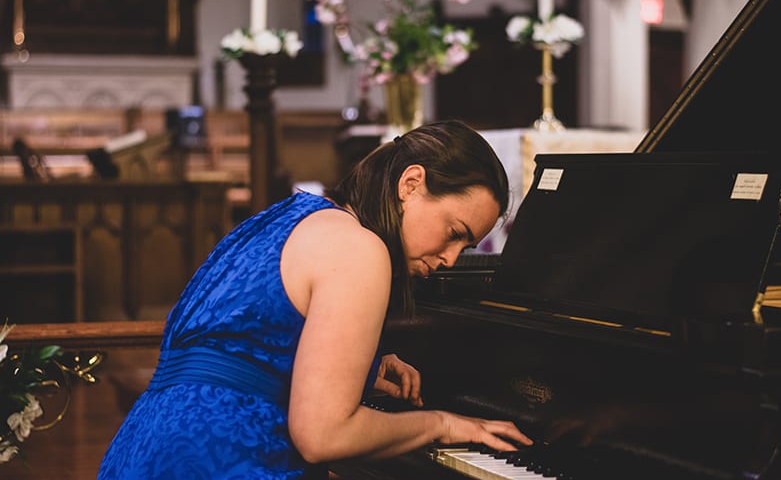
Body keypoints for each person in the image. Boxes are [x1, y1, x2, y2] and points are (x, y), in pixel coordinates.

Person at [97, 120, 532, 479]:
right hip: (220, 460)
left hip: (145, 448)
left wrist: (353, 363)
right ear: (411, 184)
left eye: (467, 247)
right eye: (454, 233)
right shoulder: (361, 249)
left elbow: (246, 340)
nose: (451, 261)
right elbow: (323, 436)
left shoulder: (288, 217)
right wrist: (441, 423)